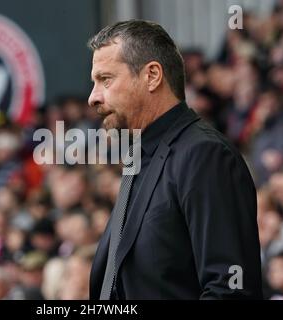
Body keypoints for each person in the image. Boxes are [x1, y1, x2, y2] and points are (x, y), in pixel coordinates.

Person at [87, 20, 263, 299]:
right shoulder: (138, 156)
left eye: (105, 80)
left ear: (152, 76)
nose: (93, 98)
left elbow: (230, 290)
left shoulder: (204, 155)